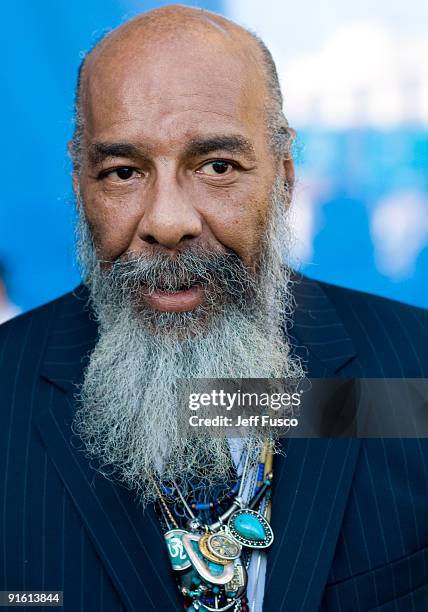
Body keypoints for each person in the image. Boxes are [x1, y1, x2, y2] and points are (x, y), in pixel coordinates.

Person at [0, 6, 427, 611]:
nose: (168, 222)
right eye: (123, 172)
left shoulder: (413, 380)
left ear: (283, 178)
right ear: (79, 183)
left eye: (217, 167)